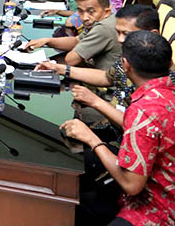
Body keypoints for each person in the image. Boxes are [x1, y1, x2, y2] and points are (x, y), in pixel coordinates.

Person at [61, 30, 175, 226]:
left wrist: (92, 139)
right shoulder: (165, 91)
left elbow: (132, 185)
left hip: (158, 208)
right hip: (158, 184)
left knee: (73, 202)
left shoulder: (144, 110)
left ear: (126, 65)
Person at [37, 5, 161, 130]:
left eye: (126, 34)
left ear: (153, 34)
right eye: (118, 32)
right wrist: (59, 68)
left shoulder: (161, 75)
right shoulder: (131, 55)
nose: (120, 39)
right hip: (113, 115)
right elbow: (106, 77)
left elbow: (140, 126)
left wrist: (95, 101)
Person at [24, 0, 121, 71]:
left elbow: (71, 60)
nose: (85, 17)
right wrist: (47, 40)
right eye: (80, 11)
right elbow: (77, 40)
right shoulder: (104, 20)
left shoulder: (103, 28)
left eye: (91, 12)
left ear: (107, 11)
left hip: (105, 86)